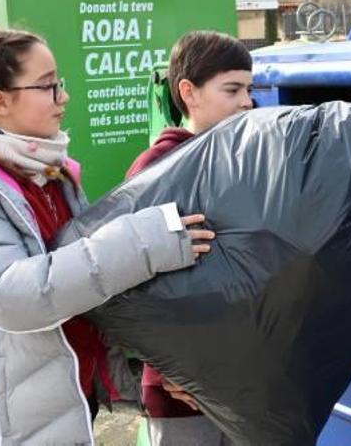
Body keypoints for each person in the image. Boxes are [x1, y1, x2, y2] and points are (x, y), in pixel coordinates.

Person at [0, 29, 214, 445]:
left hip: (67, 411)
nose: (62, 97)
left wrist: (143, 378)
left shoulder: (51, 177)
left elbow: (81, 310)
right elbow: (8, 295)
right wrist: (144, 241)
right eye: (48, 86)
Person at [126, 31, 253, 446]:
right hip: (181, 390)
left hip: (242, 376)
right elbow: (130, 279)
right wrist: (170, 371)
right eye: (231, 89)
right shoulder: (157, 167)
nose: (246, 101)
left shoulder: (246, 159)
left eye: (249, 89)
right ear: (188, 92)